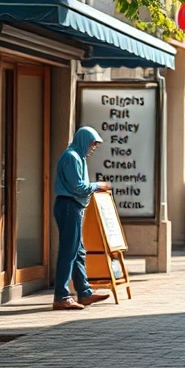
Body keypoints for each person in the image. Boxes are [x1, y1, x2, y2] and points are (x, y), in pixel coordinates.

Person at [52, 126, 113, 311]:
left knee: (78, 253)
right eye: (92, 143)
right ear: (84, 140)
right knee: (69, 253)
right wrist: (98, 185)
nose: (93, 147)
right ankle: (62, 296)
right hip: (70, 206)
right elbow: (78, 187)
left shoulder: (77, 157)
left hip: (73, 206)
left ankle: (84, 292)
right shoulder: (72, 157)